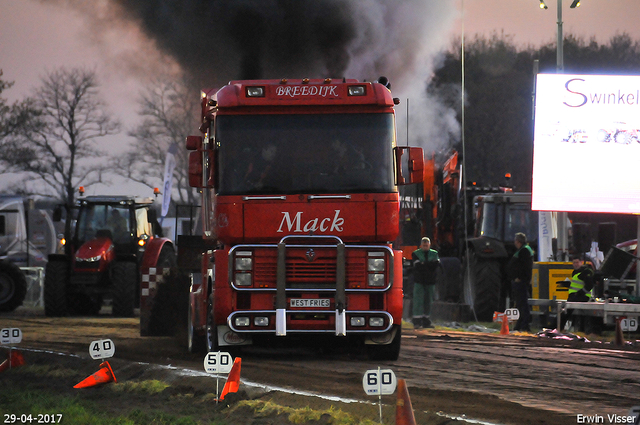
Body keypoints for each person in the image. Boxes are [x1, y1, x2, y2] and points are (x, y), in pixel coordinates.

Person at [507, 232, 534, 332]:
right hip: (519, 280)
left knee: (523, 303)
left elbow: (524, 267)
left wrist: (520, 277)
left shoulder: (524, 251)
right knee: (520, 303)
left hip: (521, 281)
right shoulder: (524, 250)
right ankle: (520, 324)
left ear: (518, 241)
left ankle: (525, 325)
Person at [411, 237, 440, 329]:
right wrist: (428, 265)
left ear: (429, 245)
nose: (425, 246)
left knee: (428, 301)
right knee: (418, 300)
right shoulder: (416, 254)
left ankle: (426, 321)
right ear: (421, 245)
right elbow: (418, 266)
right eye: (424, 245)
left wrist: (424, 264)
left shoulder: (434, 253)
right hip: (419, 281)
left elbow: (435, 265)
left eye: (426, 245)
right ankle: (417, 321)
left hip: (430, 281)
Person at [561, 255, 595, 331]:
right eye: (574, 263)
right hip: (574, 296)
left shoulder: (585, 271)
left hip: (581, 296)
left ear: (581, 262)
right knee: (569, 313)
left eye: (577, 262)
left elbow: (589, 285)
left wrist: (580, 293)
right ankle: (562, 328)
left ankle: (557, 328)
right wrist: (567, 285)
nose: (575, 264)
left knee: (566, 312)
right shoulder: (575, 272)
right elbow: (577, 284)